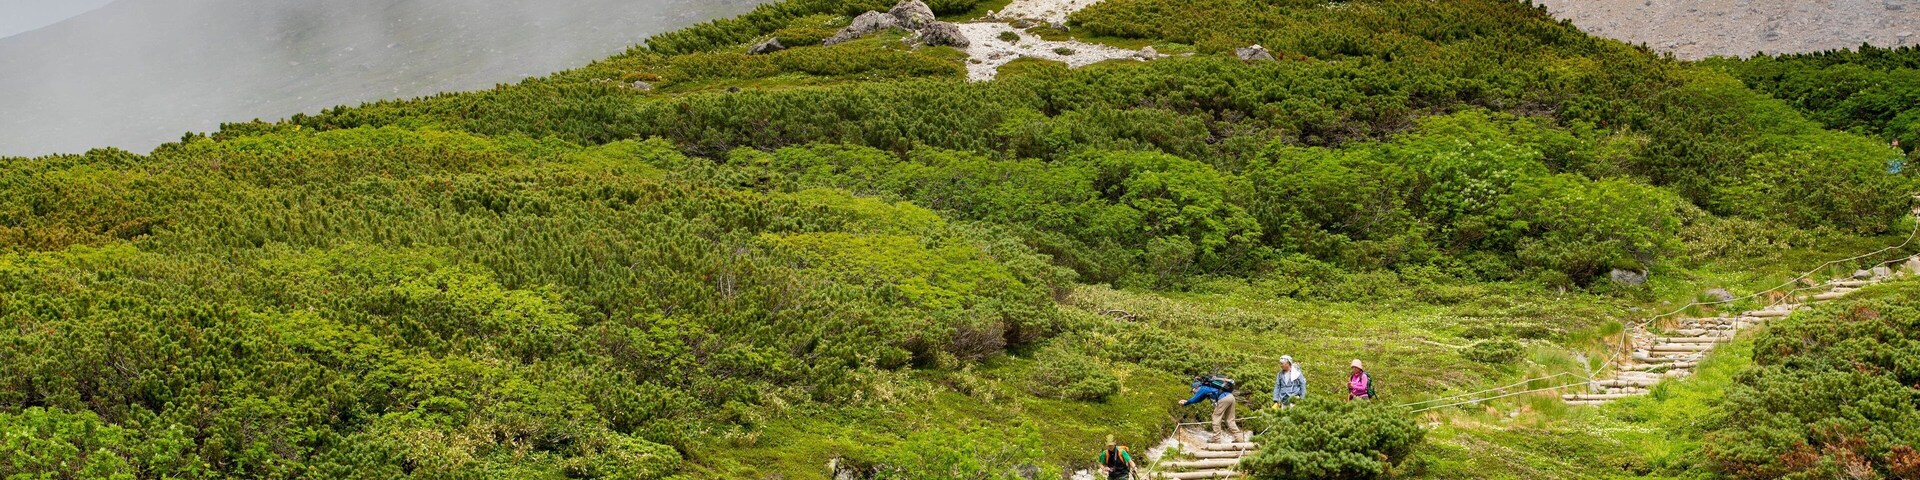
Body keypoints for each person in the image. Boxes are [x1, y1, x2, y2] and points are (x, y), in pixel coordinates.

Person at [1179, 378, 1240, 442]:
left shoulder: (1202, 388)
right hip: (1231, 397)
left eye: (1193, 390)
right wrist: (1187, 401)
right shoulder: (1207, 388)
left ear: (1196, 388)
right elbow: (1198, 400)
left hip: (1223, 398)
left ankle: (1216, 438)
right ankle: (1239, 438)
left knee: (1216, 417)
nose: (1193, 392)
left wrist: (1185, 403)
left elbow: (1194, 399)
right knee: (1230, 419)